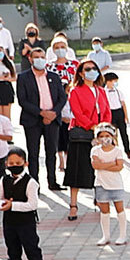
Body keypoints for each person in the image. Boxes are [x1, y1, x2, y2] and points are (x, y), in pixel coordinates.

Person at [63, 59, 111, 222]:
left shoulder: (101, 91)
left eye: (94, 68)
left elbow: (107, 111)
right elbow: (77, 112)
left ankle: (99, 199)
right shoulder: (75, 91)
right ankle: (73, 205)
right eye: (87, 69)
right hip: (82, 134)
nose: (91, 71)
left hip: (100, 134)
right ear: (81, 73)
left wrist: (104, 128)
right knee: (77, 169)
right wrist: (92, 126)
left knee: (98, 169)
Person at [16, 47, 66, 191]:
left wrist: (53, 113)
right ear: (30, 59)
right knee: (33, 154)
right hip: (32, 121)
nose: (40, 59)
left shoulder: (54, 76)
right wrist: (41, 113)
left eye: (42, 57)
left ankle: (53, 182)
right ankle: (34, 185)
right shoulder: (23, 77)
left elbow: (62, 98)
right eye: (36, 57)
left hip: (52, 120)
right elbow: (23, 101)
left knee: (51, 151)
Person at [0, 147, 45, 260]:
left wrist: (13, 205)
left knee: (32, 251)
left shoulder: (31, 182)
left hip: (26, 223)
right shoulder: (4, 180)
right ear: (6, 164)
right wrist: (1, 204)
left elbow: (32, 204)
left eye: (18, 162)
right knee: (13, 252)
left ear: (25, 163)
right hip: (9, 222)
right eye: (11, 163)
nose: (14, 166)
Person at [89, 123, 128, 246]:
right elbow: (96, 165)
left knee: (119, 209)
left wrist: (104, 165)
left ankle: (123, 235)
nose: (104, 138)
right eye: (101, 136)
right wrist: (111, 163)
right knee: (104, 211)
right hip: (101, 184)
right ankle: (106, 236)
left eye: (107, 135)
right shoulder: (95, 150)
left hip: (116, 184)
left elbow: (119, 167)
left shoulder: (117, 151)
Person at [47, 36, 78, 174]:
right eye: (57, 47)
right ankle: (60, 160)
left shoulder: (74, 65)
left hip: (72, 102)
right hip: (55, 103)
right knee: (58, 133)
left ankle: (71, 159)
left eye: (62, 47)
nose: (60, 50)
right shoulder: (49, 66)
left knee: (71, 132)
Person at [102, 73, 130, 158]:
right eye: (114, 81)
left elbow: (123, 104)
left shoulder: (118, 92)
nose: (115, 83)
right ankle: (114, 150)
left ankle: (127, 150)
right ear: (108, 82)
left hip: (119, 112)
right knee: (112, 133)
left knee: (124, 133)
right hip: (110, 113)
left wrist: (126, 116)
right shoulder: (103, 92)